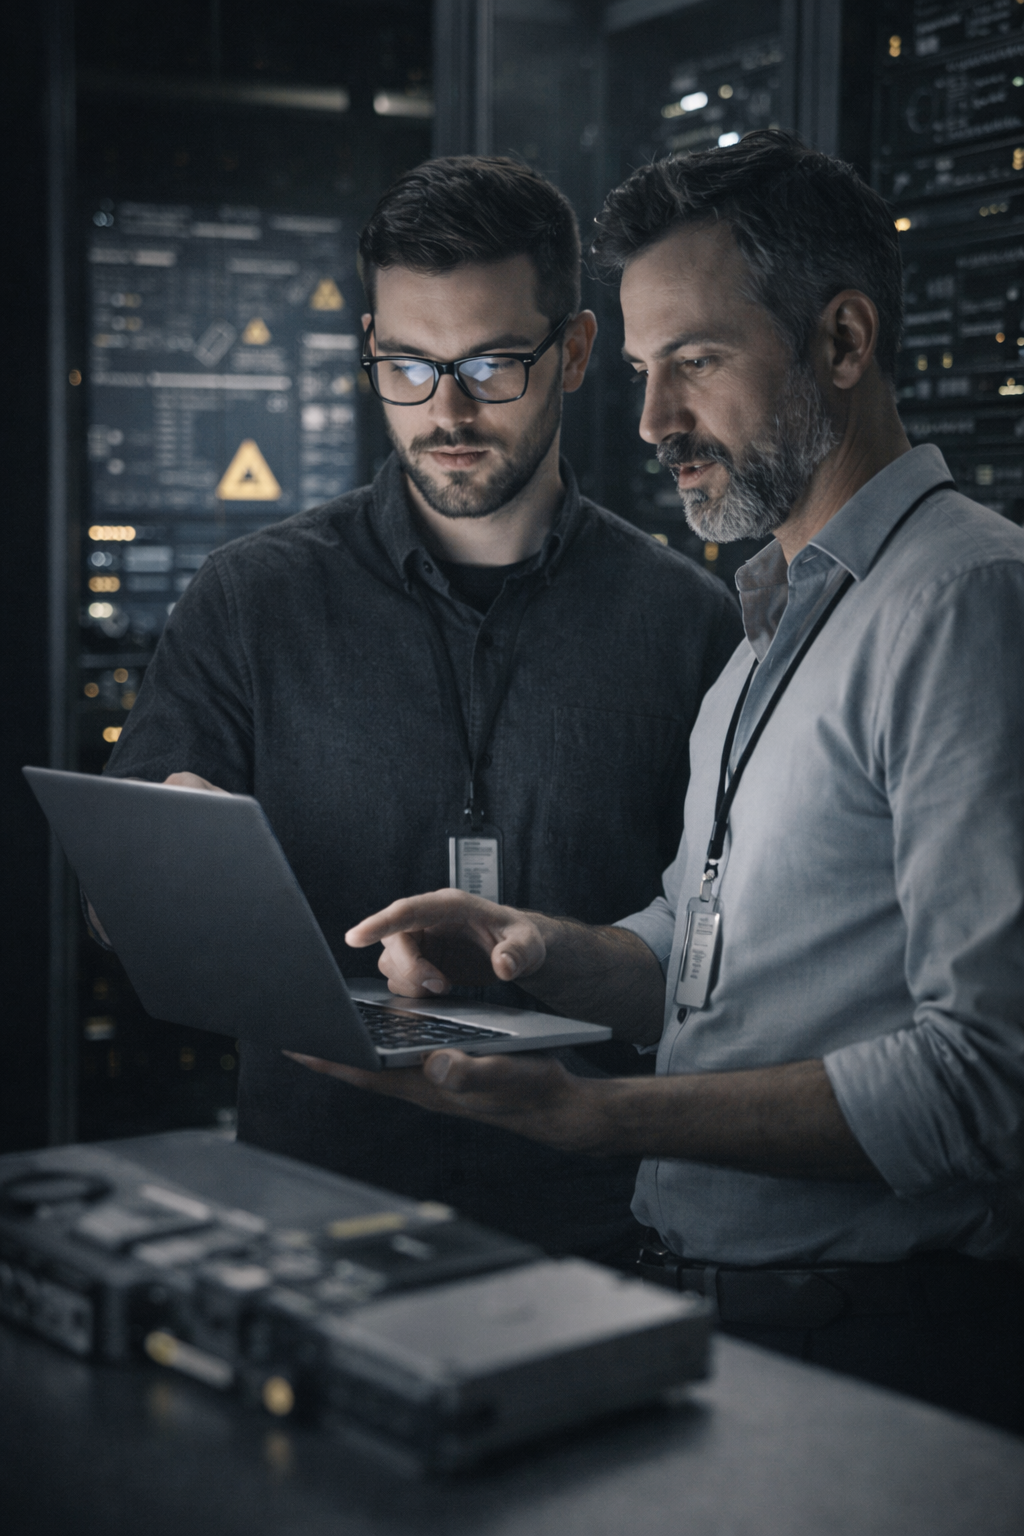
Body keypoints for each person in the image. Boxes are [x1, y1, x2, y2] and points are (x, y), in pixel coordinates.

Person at [289, 133, 1024, 1434]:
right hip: (740, 1337)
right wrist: (533, 952)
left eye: (697, 361)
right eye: (639, 370)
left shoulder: (964, 603)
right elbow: (700, 948)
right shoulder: (771, 629)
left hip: (886, 1351)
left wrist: (595, 1118)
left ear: (843, 343)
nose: (651, 422)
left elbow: (986, 1079)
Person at [101, 155, 742, 1265]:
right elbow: (115, 908)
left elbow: (724, 955)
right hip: (305, 1217)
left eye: (492, 364)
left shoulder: (692, 626)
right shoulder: (252, 599)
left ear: (577, 352)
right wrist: (171, 853)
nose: (444, 411)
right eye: (405, 364)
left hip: (597, 1238)